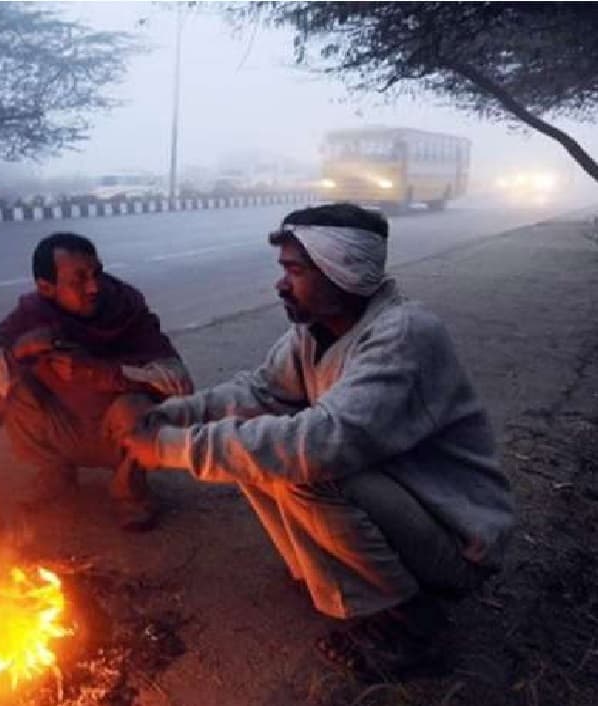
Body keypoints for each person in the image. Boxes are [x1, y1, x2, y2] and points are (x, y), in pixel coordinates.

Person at [121, 203, 515, 680]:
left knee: (304, 467)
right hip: (404, 505)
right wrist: (167, 416)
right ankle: (326, 575)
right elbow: (263, 392)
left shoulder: (406, 334)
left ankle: (411, 625)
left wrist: (169, 448)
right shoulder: (314, 331)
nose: (281, 283)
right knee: (261, 444)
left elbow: (323, 444)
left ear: (341, 271)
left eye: (295, 270)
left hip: (456, 541)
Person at [0, 232, 194, 531]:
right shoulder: (30, 316)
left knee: (137, 408)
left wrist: (98, 371)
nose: (94, 287)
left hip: (117, 432)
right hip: (61, 427)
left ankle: (129, 491)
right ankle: (55, 473)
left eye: (96, 273)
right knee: (13, 384)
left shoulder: (126, 306)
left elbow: (179, 381)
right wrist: (17, 353)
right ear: (46, 287)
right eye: (78, 280)